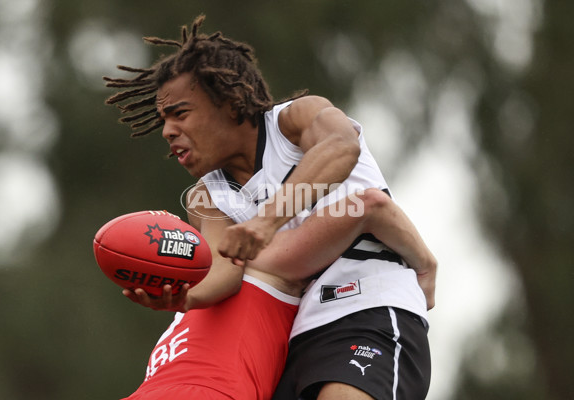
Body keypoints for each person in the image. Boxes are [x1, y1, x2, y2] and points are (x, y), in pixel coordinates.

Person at [104, 15, 436, 400]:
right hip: (295, 334)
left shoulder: (293, 121)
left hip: (367, 306)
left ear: (229, 104)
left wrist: (267, 220)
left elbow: (342, 147)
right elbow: (225, 272)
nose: (167, 131)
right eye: (163, 120)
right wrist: (183, 298)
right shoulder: (206, 195)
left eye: (180, 113)